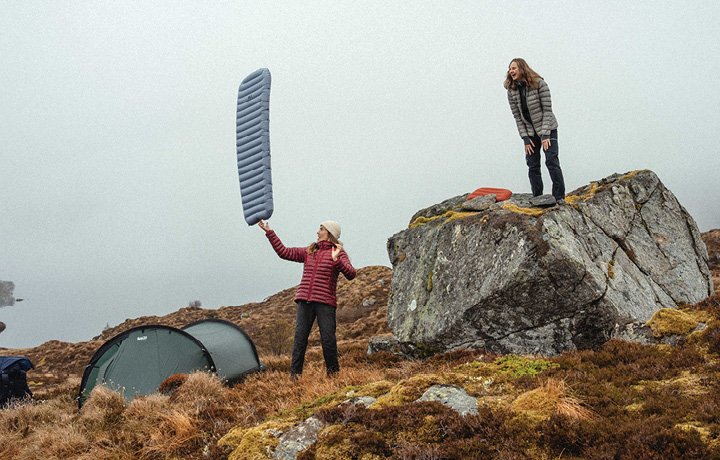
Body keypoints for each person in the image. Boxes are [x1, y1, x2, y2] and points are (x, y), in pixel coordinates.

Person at [258, 219, 356, 379]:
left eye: (321, 229)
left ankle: (334, 376)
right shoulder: (310, 251)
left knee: (328, 341)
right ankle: (294, 377)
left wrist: (336, 260)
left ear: (329, 233)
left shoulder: (339, 252)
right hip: (304, 300)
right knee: (299, 340)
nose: (317, 232)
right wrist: (269, 232)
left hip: (325, 302)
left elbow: (351, 274)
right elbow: (284, 252)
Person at [504, 58, 566, 202]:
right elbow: (517, 117)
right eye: (510, 69)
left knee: (551, 160)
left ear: (522, 68)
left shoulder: (539, 84)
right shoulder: (511, 91)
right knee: (532, 164)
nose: (511, 71)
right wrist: (525, 138)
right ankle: (537, 198)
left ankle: (559, 197)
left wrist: (545, 135)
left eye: (514, 68)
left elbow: (547, 110)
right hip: (530, 133)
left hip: (548, 129)